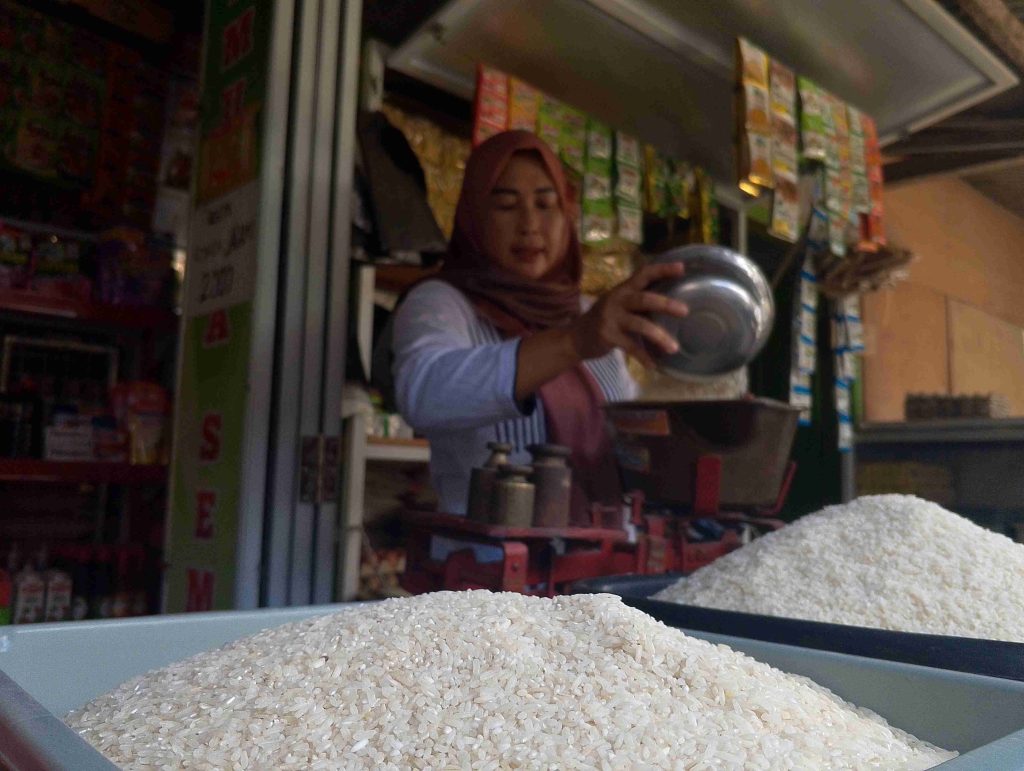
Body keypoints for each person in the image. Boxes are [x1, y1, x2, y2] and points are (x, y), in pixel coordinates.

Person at [391, 130, 688, 524]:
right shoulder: (443, 302)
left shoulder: (587, 314)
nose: (529, 224)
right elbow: (424, 392)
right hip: (492, 571)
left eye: (546, 205)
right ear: (475, 218)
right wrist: (573, 342)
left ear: (568, 218)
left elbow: (626, 430)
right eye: (506, 206)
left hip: (599, 562)